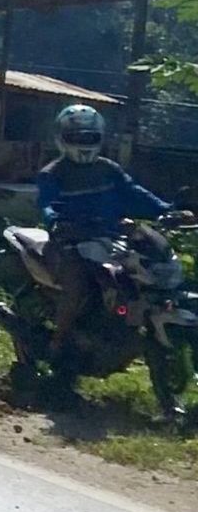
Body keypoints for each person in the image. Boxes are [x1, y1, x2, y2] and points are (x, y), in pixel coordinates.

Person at [37, 103, 172, 358]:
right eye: (76, 137)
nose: (83, 142)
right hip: (68, 242)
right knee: (77, 286)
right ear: (61, 138)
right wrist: (54, 220)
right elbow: (46, 203)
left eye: (90, 137)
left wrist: (167, 209)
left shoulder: (108, 169)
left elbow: (134, 193)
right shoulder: (53, 173)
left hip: (109, 239)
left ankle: (123, 330)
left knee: (140, 275)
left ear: (100, 138)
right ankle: (57, 342)